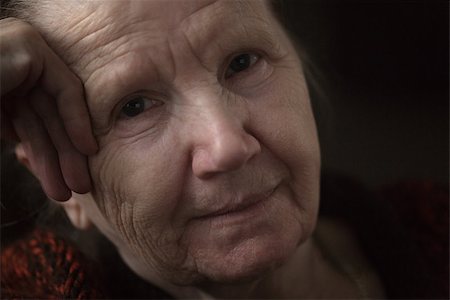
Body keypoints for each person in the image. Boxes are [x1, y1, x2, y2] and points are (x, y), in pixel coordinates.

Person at [0, 0, 447, 299]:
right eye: (133, 107)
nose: (228, 145)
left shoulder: (436, 228)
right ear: (55, 178)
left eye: (242, 62)